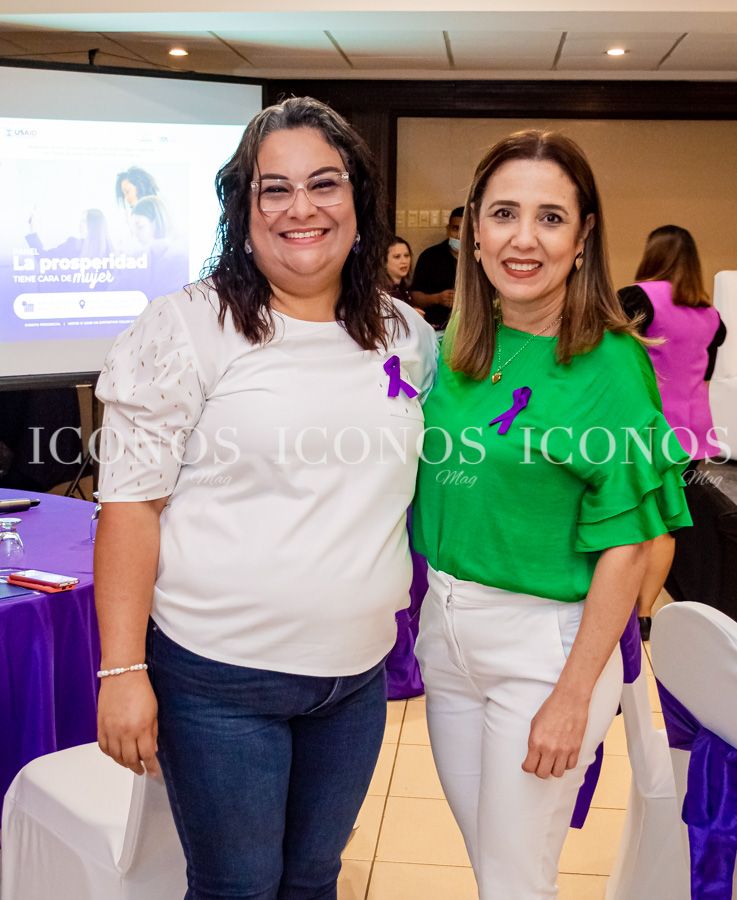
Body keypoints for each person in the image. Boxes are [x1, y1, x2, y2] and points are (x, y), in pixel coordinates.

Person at [94, 96, 437, 900]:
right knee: (238, 887)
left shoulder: (404, 337)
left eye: (323, 183)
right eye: (272, 188)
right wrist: (121, 671)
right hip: (218, 681)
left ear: (358, 199)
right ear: (241, 208)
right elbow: (130, 509)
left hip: (354, 677)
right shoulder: (185, 330)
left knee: (315, 879)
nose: (301, 208)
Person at [411, 130, 691, 900]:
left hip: (548, 648)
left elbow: (632, 547)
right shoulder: (460, 345)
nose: (523, 239)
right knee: (496, 865)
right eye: (503, 213)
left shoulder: (611, 362)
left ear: (584, 235)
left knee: (514, 882)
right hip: (448, 631)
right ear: (472, 228)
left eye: (550, 218)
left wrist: (573, 695)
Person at [619, 224, 726, 640]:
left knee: (633, 517)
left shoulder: (638, 299)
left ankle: (623, 604)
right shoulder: (711, 316)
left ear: (652, 255)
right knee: (666, 522)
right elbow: (707, 372)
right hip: (693, 430)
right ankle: (645, 612)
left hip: (647, 426)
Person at [410, 207, 463, 330]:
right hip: (435, 327)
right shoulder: (430, 256)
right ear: (448, 230)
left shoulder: (481, 258)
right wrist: (438, 298)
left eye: (465, 229)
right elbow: (414, 296)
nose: (460, 235)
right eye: (456, 228)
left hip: (471, 328)